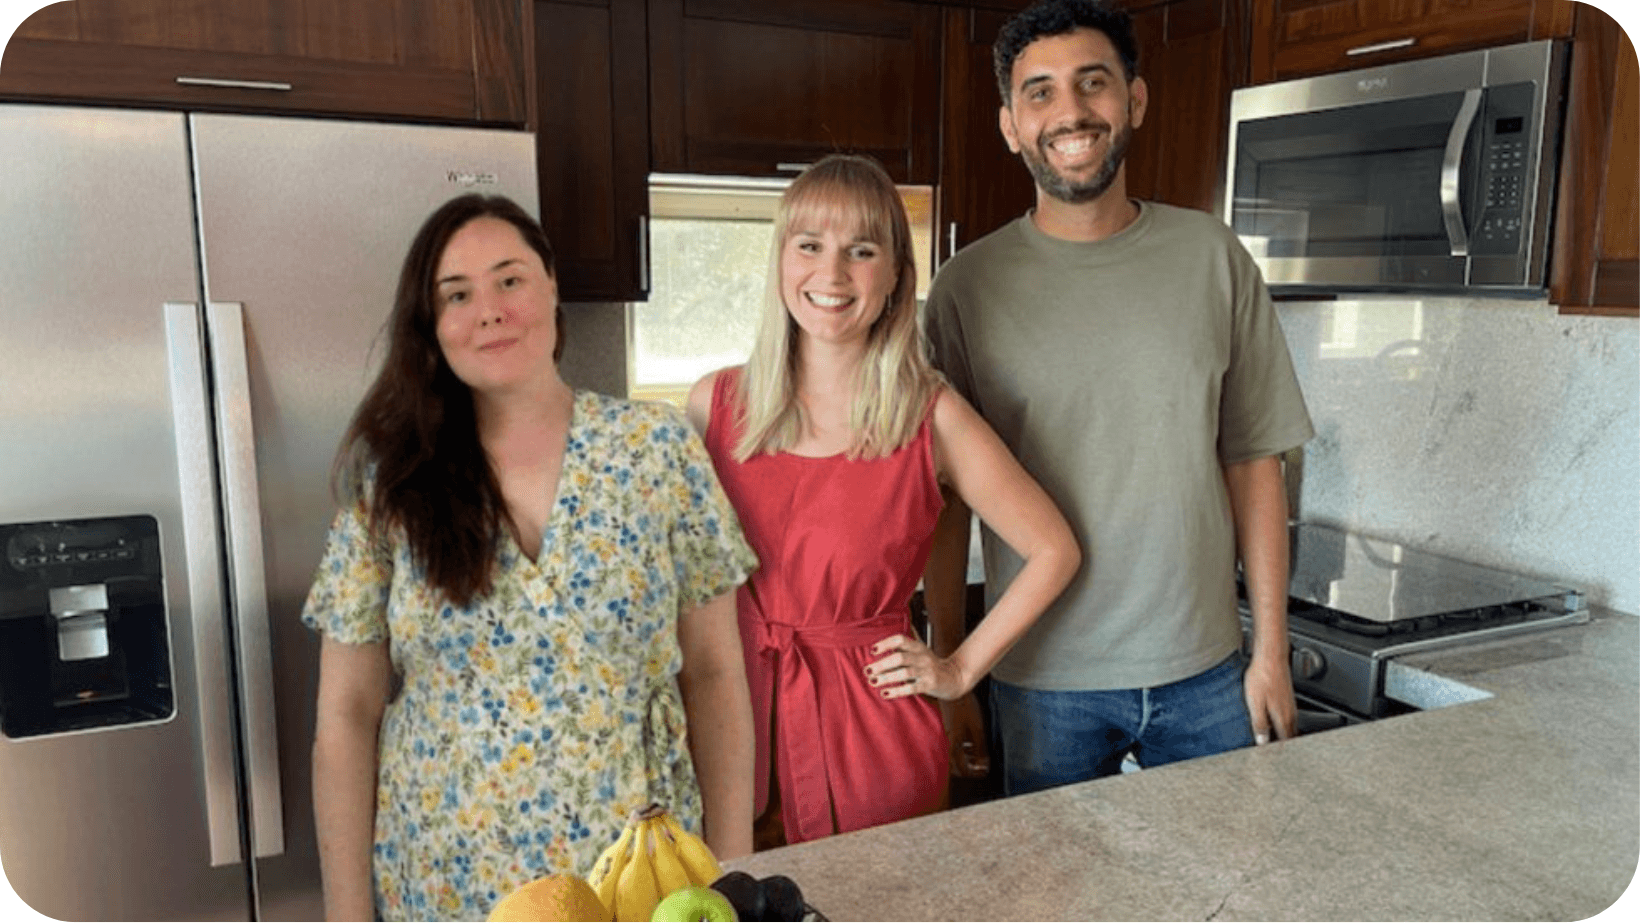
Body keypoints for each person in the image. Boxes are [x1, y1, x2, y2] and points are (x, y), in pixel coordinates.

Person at [303, 193, 758, 921]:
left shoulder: (657, 450)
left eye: (509, 279)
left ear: (550, 286)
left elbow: (715, 672)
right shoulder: (390, 481)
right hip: (445, 879)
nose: (488, 308)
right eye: (458, 294)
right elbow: (347, 715)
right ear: (434, 327)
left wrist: (732, 874)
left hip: (636, 878)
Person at [922, 0, 1316, 797]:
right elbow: (947, 505)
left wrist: (1269, 650)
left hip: (1205, 673)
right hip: (1038, 681)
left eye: (1092, 83)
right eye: (1040, 92)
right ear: (1010, 124)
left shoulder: (1212, 256)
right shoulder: (967, 288)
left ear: (1133, 100)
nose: (1070, 112)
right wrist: (954, 676)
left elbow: (1254, 460)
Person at [686, 155, 1080, 848]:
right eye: (809, 246)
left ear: (897, 273)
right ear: (781, 261)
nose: (831, 275)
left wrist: (956, 669)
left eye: (861, 251)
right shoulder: (713, 408)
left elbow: (1055, 550)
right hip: (730, 728)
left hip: (873, 740)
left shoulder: (932, 417)